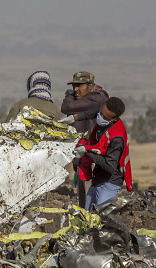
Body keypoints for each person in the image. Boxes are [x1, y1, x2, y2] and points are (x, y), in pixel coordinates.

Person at [60, 71, 109, 208]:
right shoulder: (80, 102)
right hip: (82, 158)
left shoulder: (99, 97)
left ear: (90, 85)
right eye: (74, 86)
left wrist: (68, 96)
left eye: (79, 85)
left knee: (98, 201)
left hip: (96, 159)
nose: (76, 89)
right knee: (84, 202)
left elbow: (66, 107)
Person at [74, 97, 132, 211]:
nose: (100, 117)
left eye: (105, 117)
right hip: (98, 179)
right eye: (101, 113)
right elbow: (93, 112)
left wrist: (87, 152)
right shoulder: (103, 116)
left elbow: (110, 166)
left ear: (114, 119)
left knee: (100, 219)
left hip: (109, 183)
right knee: (87, 214)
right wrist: (74, 117)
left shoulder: (117, 138)